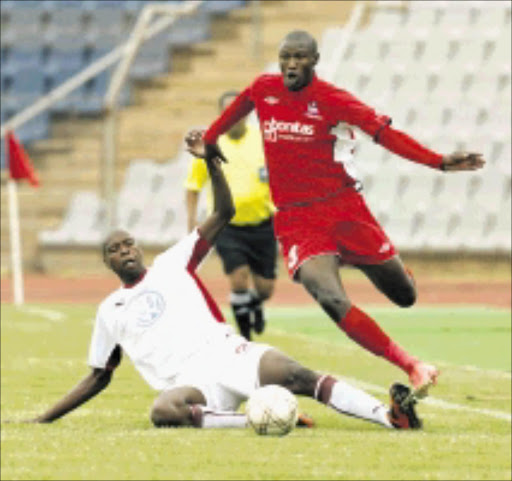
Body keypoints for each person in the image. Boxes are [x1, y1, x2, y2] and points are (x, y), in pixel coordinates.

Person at [16, 135, 422, 431]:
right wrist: (45, 417)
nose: (126, 251)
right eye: (115, 250)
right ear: (107, 262)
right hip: (190, 383)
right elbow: (98, 376)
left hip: (229, 353)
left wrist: (211, 162)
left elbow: (224, 210)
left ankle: (389, 417)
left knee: (298, 374)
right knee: (164, 411)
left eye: (129, 243)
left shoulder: (174, 262)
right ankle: (252, 417)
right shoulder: (110, 311)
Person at [200, 30, 486, 398]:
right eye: (285, 56)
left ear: (314, 61)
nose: (291, 64)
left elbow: (385, 135)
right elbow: (232, 113)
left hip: (345, 209)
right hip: (298, 221)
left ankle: (373, 261)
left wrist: (438, 163)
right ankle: (411, 365)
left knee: (405, 295)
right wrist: (208, 140)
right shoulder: (263, 89)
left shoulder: (334, 100)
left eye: (300, 57)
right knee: (331, 298)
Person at [185, 90, 277, 341]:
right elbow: (193, 186)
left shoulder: (263, 141)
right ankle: (245, 339)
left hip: (263, 223)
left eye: (239, 111)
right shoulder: (211, 144)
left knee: (265, 288)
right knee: (238, 279)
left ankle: (256, 304)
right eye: (228, 112)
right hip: (228, 226)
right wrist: (191, 222)